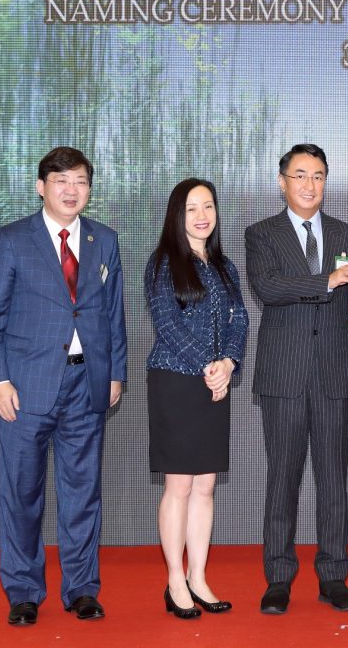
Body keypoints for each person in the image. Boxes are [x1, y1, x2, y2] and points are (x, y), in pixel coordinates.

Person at [0, 146, 127, 626]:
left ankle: (82, 589)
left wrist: (115, 373)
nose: (70, 189)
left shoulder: (105, 241)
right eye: (60, 180)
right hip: (24, 388)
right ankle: (23, 591)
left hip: (88, 383)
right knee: (21, 494)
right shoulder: (12, 240)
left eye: (80, 180)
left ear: (89, 188)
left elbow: (113, 316)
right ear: (41, 186)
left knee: (83, 492)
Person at [244, 144, 348, 615]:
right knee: (283, 478)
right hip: (284, 374)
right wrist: (329, 280)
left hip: (335, 371)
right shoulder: (262, 234)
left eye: (318, 176)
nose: (309, 185)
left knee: (334, 478)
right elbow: (269, 288)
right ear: (282, 181)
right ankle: (278, 577)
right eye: (300, 176)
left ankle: (334, 575)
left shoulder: (347, 233)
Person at [145, 178, 248, 619]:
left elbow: (240, 318)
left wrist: (228, 363)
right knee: (180, 485)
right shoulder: (164, 263)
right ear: (176, 214)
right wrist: (210, 367)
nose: (202, 216)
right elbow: (167, 325)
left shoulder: (225, 266)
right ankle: (174, 578)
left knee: (206, 486)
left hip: (214, 382)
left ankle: (199, 576)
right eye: (191, 208)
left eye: (208, 207)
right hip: (176, 381)